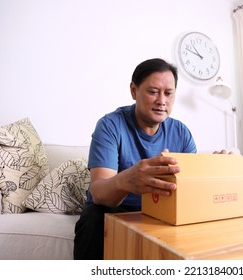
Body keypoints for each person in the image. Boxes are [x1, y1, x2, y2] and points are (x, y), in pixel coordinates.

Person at [73, 58, 197, 259]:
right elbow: (99, 194)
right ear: (134, 91)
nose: (162, 101)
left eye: (168, 93)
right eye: (153, 91)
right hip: (114, 210)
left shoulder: (181, 132)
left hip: (160, 212)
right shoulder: (110, 125)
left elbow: (190, 190)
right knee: (94, 217)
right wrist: (127, 179)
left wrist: (216, 168)